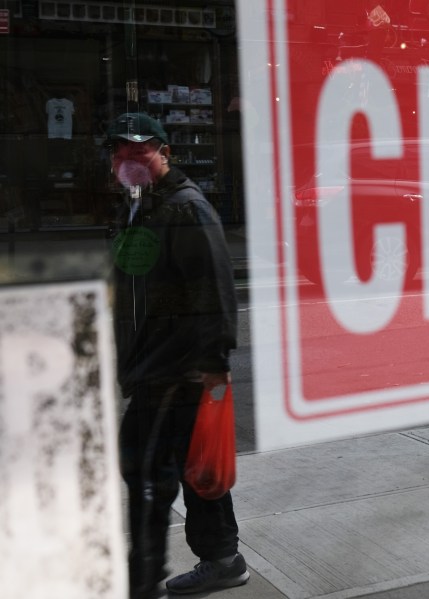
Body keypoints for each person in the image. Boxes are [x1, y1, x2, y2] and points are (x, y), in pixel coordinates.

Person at [106, 112, 248, 598]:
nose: (128, 159)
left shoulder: (186, 208)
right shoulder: (142, 206)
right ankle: (223, 559)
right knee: (194, 467)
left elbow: (216, 288)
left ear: (165, 154)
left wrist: (213, 366)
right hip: (153, 364)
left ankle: (150, 578)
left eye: (139, 150)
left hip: (174, 369)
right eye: (120, 152)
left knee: (156, 471)